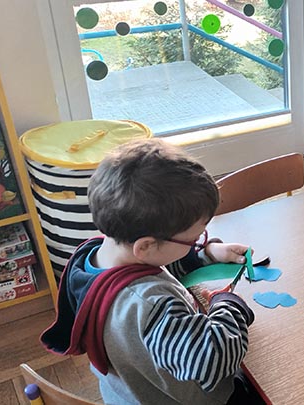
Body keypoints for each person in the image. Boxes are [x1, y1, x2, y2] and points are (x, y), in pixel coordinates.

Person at [41, 139, 262, 404]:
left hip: (125, 394)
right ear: (145, 246)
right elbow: (213, 361)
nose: (198, 241)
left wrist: (205, 254)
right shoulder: (149, 305)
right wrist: (230, 306)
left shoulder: (92, 258)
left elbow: (154, 266)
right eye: (194, 239)